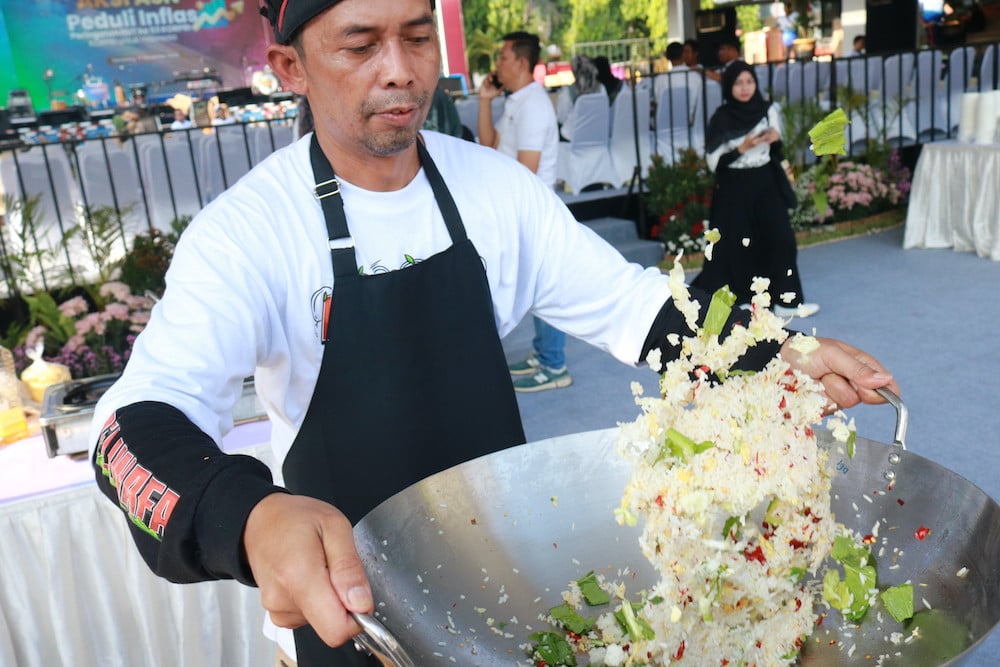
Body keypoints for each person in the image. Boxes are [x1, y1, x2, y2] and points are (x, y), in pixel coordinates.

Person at [88, 2, 894, 666]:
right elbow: (131, 424)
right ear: (290, 68)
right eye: (360, 45)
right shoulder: (249, 232)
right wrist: (249, 515)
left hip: (511, 582)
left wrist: (773, 352)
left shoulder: (494, 190)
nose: (399, 69)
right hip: (353, 615)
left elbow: (635, 304)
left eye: (414, 36)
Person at [477, 31, 571, 392]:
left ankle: (554, 365)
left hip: (533, 209)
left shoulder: (533, 105)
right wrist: (486, 100)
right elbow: (490, 144)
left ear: (520, 61)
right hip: (517, 207)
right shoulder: (518, 100)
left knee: (543, 285)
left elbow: (527, 168)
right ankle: (544, 353)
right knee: (533, 285)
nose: (497, 63)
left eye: (502, 56)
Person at [691, 61, 819, 318]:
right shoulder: (722, 118)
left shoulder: (768, 110)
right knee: (739, 244)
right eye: (738, 83)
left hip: (765, 181)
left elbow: (777, 151)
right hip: (734, 188)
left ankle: (787, 301)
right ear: (729, 86)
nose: (745, 88)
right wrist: (743, 146)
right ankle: (743, 301)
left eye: (749, 82)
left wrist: (775, 140)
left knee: (781, 238)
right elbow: (715, 163)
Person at [555, 54, 604, 141]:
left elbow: (561, 117)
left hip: (571, 137)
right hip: (597, 135)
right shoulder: (601, 88)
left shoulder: (567, 91)